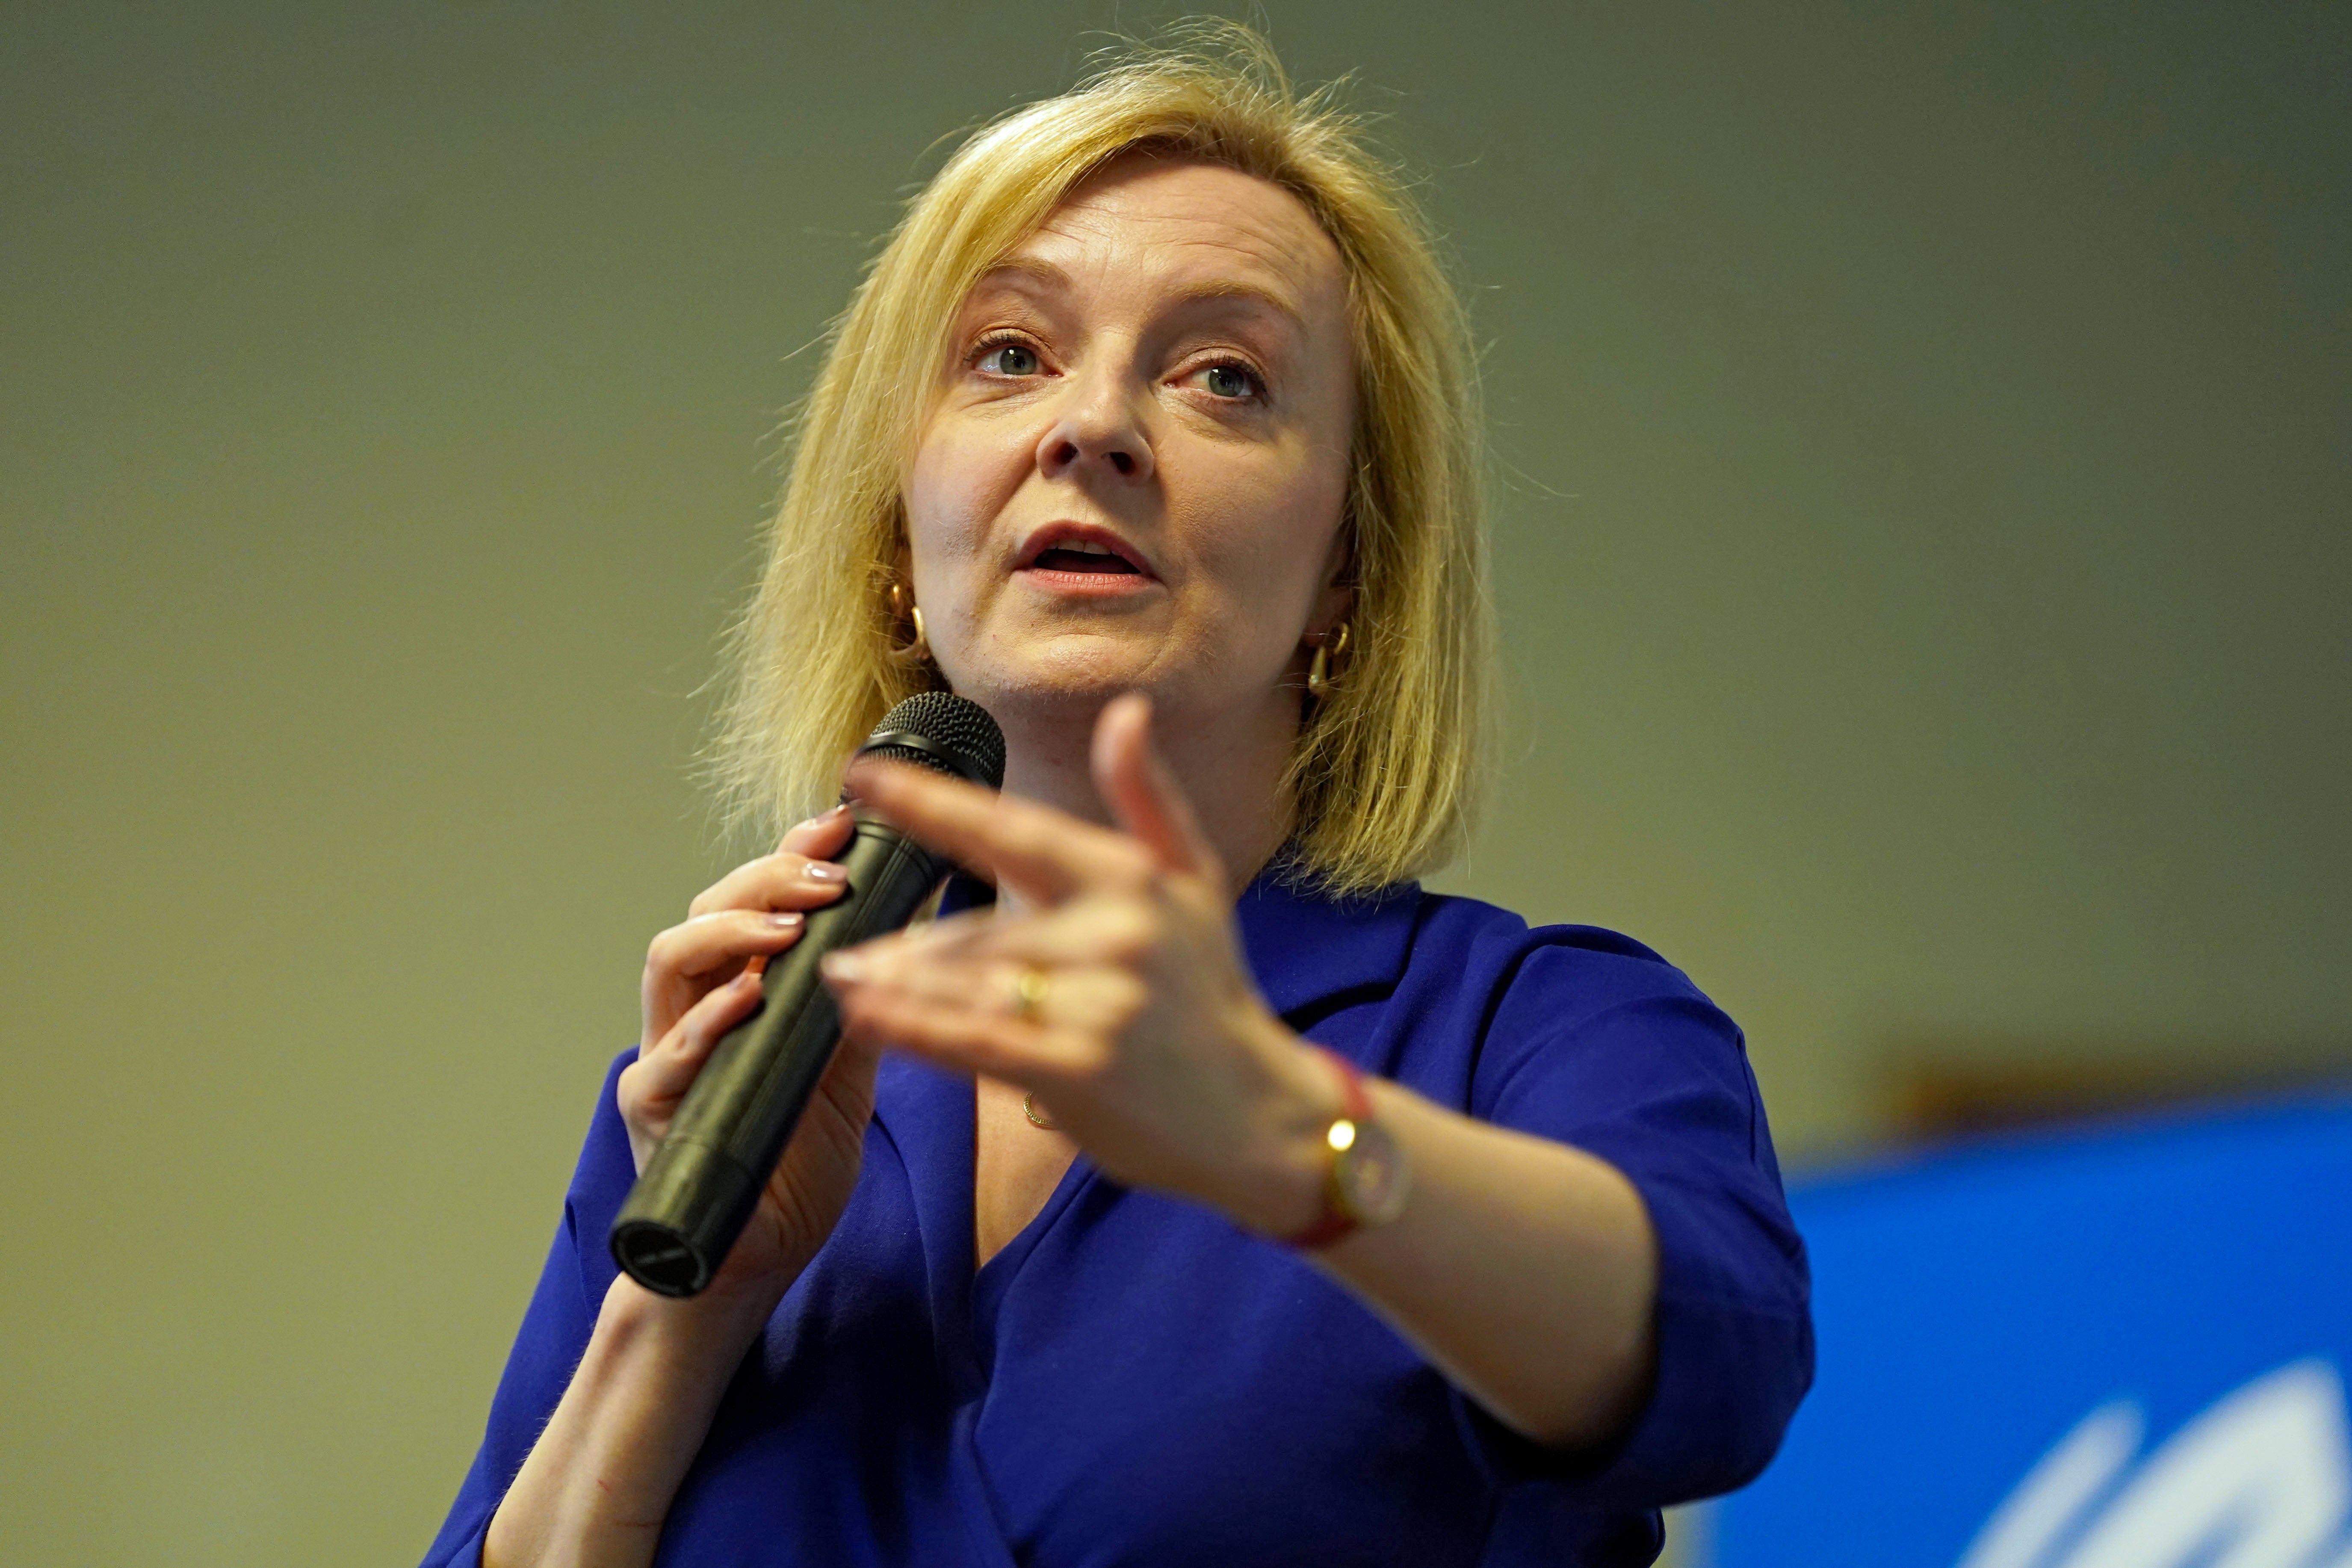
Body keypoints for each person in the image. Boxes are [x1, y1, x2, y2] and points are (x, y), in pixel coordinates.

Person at [425, 25, 1812, 1568]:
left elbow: (1716, 1366)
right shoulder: (730, 1075)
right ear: (901, 532)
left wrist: (1286, 1137)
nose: (1089, 427)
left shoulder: (1531, 1026)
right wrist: (690, 1307)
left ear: (1346, 565)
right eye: (1009, 354)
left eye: (1226, 378)